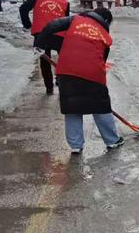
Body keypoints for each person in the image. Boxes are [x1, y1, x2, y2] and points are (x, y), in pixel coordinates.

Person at [36, 8, 123, 154]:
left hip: (66, 70)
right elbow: (102, 60)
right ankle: (112, 141)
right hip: (93, 73)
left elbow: (52, 26)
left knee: (72, 107)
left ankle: (76, 145)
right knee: (101, 107)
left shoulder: (74, 20)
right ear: (106, 21)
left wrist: (39, 44)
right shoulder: (105, 36)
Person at [19, 0, 70, 94]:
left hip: (40, 33)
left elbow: (23, 8)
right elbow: (66, 21)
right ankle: (61, 81)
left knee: (44, 60)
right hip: (59, 34)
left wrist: (27, 24)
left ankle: (49, 88)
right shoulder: (65, 1)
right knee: (63, 59)